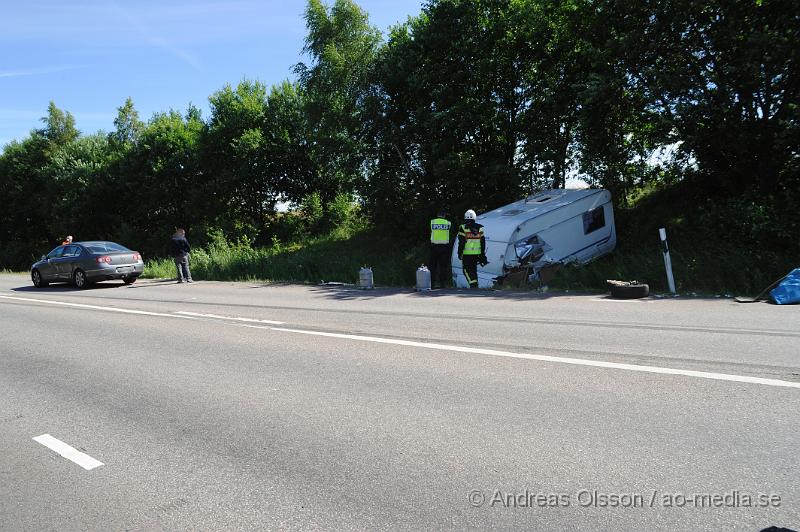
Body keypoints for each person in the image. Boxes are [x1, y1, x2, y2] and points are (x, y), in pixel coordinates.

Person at [457, 209, 488, 289]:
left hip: (467, 254)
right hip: (476, 254)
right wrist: (482, 255)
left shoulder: (463, 228)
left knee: (466, 270)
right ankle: (475, 286)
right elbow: (483, 243)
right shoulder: (480, 228)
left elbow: (461, 243)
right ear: (474, 217)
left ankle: (473, 285)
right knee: (473, 270)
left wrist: (459, 253)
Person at [429, 208, 452, 289]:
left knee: (432, 266)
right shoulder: (448, 223)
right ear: (444, 215)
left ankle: (432, 284)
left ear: (437, 215)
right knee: (443, 266)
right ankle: (442, 284)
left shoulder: (433, 222)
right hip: (444, 247)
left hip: (434, 246)